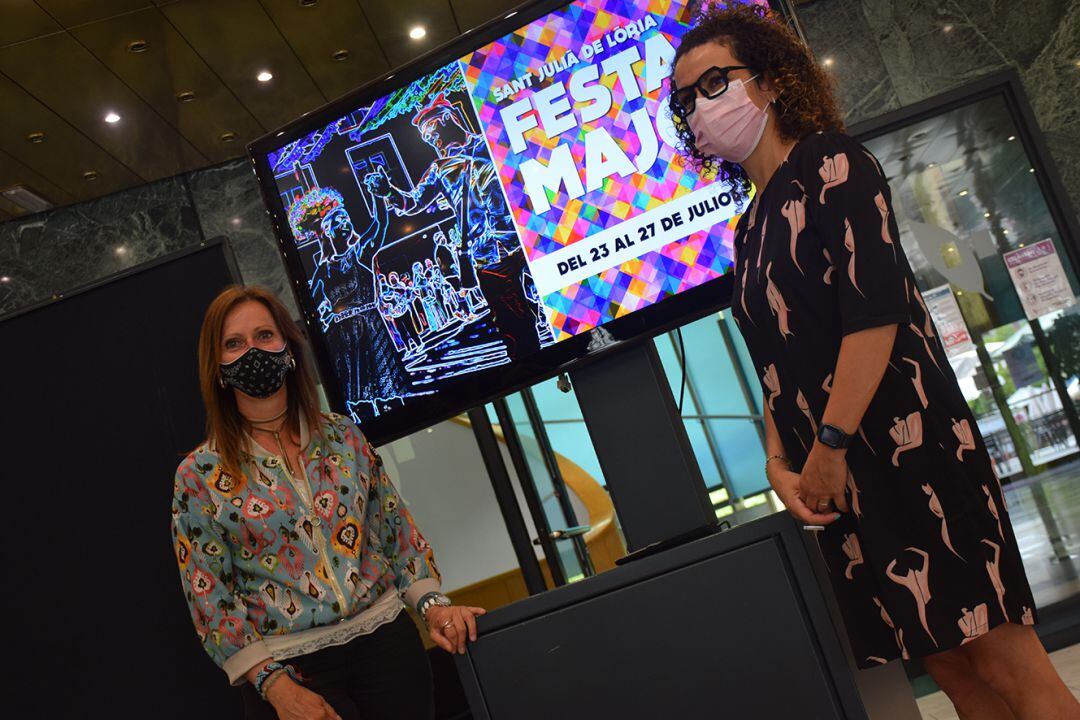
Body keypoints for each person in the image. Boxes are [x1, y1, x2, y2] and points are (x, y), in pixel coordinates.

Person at [670, 5, 1079, 719]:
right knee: (951, 669)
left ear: (770, 80)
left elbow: (874, 312)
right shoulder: (750, 226)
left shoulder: (831, 164)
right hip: (834, 480)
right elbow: (775, 361)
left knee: (1002, 657)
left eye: (714, 83)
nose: (701, 107)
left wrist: (829, 444)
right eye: (686, 100)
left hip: (907, 450)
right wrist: (779, 462)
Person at [171, 285, 485, 720]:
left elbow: (396, 534)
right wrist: (274, 685)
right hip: (291, 671)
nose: (253, 351)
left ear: (288, 347)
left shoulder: (342, 436)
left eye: (264, 335)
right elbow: (209, 594)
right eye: (234, 343)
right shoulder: (199, 474)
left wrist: (433, 605)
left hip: (387, 647)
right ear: (217, 366)